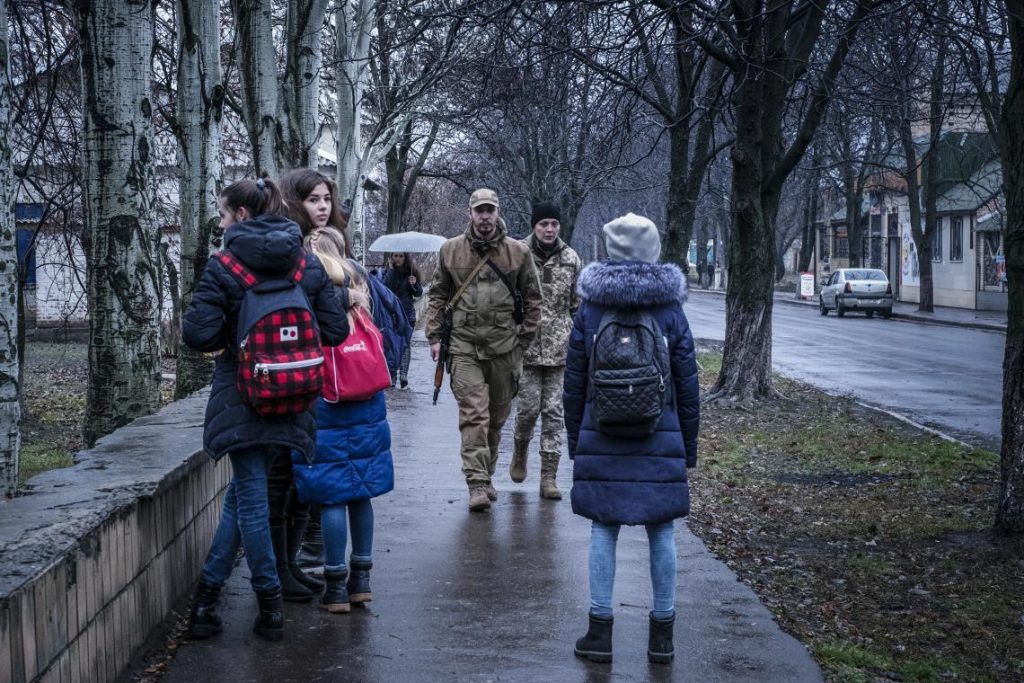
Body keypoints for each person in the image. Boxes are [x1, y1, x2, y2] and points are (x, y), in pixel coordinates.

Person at [182, 177, 350, 641]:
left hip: (241, 395)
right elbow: (334, 332)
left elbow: (196, 335)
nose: (219, 222)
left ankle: (270, 604)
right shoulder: (305, 261)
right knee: (242, 497)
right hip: (294, 397)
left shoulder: (225, 266)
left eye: (221, 213)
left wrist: (237, 341)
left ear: (240, 215)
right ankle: (207, 600)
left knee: (252, 501)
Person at [563, 213, 699, 664]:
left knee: (605, 527)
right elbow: (687, 382)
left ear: (610, 249)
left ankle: (599, 633)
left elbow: (574, 382)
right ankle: (662, 637)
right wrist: (688, 447)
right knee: (661, 530)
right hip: (659, 434)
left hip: (600, 433)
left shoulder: (591, 308)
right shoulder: (669, 308)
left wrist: (575, 442)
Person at [294, 226, 395, 614]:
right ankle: (362, 580)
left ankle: (335, 586)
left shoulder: (311, 290)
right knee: (361, 492)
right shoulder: (361, 287)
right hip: (367, 402)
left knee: (333, 493)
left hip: (325, 402)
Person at [425, 188, 543, 512]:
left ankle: (486, 475)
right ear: (470, 213)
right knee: (474, 413)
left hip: (506, 349)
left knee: (496, 419)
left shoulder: (518, 253)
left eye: (490, 210)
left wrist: (523, 341)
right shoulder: (450, 251)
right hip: (464, 347)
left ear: (498, 211)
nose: (485, 216)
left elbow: (534, 300)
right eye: (480, 211)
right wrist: (435, 337)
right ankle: (476, 483)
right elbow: (437, 295)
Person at [510, 202, 581, 499]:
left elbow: (577, 305)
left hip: (559, 350)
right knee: (527, 410)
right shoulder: (517, 254)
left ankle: (548, 477)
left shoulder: (571, 258)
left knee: (553, 413)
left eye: (554, 223)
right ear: (534, 226)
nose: (549, 229)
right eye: (543, 224)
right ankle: (520, 450)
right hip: (525, 348)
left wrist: (581, 340)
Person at [381, 252, 424, 388]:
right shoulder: (387, 272)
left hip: (407, 314)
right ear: (391, 257)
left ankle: (403, 375)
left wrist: (414, 284)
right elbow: (385, 289)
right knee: (392, 345)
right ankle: (392, 376)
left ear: (405, 258)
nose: (397, 259)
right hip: (392, 314)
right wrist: (391, 271)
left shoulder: (411, 272)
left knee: (405, 343)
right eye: (395, 256)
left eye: (400, 256)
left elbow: (418, 293)